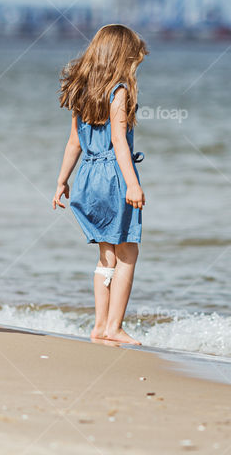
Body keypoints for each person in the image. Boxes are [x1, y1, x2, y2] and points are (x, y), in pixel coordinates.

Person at [52, 24, 148, 345]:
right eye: (134, 61)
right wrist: (132, 184)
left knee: (106, 255)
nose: (135, 68)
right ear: (123, 58)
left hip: (87, 179)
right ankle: (114, 327)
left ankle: (99, 326)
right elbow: (119, 142)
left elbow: (73, 143)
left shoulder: (82, 90)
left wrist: (62, 181)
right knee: (128, 251)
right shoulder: (118, 91)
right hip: (113, 178)